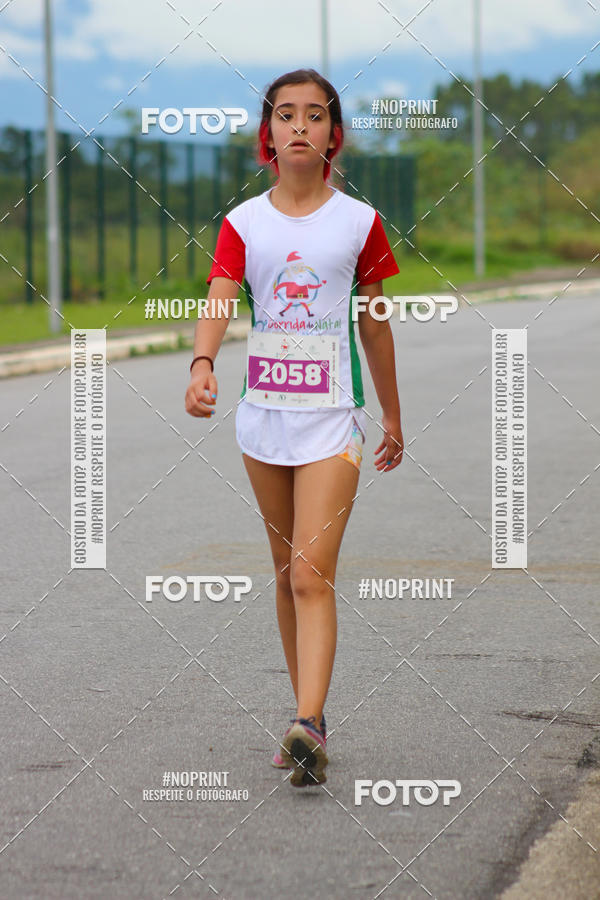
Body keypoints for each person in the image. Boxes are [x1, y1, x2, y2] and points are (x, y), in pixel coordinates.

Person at [185, 68, 403, 787]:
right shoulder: (245, 223)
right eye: (286, 114)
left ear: (333, 135)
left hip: (333, 421)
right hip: (263, 422)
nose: (300, 126)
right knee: (286, 575)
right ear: (268, 134)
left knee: (312, 573)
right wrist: (201, 363)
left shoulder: (358, 221)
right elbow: (220, 294)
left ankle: (307, 723)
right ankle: (306, 714)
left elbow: (374, 320)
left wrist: (392, 414)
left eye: (315, 115)